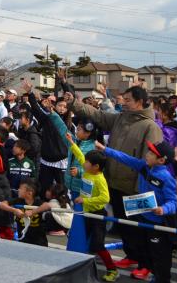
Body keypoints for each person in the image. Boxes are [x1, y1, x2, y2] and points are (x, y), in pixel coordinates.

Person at [64, 86, 162, 273]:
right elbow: (97, 115)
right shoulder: (120, 118)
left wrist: (141, 187)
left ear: (140, 102)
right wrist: (73, 103)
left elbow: (151, 163)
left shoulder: (150, 126)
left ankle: (146, 265)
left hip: (135, 188)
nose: (123, 103)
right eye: (123, 99)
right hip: (114, 183)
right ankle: (132, 256)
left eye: (128, 100)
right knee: (124, 225)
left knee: (139, 228)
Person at [97, 139, 177, 282]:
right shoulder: (144, 166)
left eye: (152, 153)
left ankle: (161, 278)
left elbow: (173, 201)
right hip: (141, 215)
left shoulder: (166, 178)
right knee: (143, 246)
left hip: (159, 223)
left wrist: (162, 209)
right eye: (149, 151)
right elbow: (126, 158)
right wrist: (105, 149)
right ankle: (147, 270)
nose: (147, 154)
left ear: (161, 160)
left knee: (160, 256)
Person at [64, 132, 118, 282]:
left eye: (87, 162)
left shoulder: (99, 179)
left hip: (97, 215)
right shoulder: (88, 170)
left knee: (98, 244)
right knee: (85, 240)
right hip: (86, 213)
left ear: (96, 167)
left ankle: (112, 269)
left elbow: (105, 198)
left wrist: (86, 201)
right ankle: (84, 267)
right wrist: (71, 143)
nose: (83, 163)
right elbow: (80, 156)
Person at [0, 179, 48, 247]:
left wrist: (32, 212)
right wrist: (14, 210)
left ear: (30, 193)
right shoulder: (18, 201)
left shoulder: (38, 202)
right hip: (23, 241)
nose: (18, 190)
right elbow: (0, 204)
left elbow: (48, 205)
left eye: (21, 188)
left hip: (39, 242)